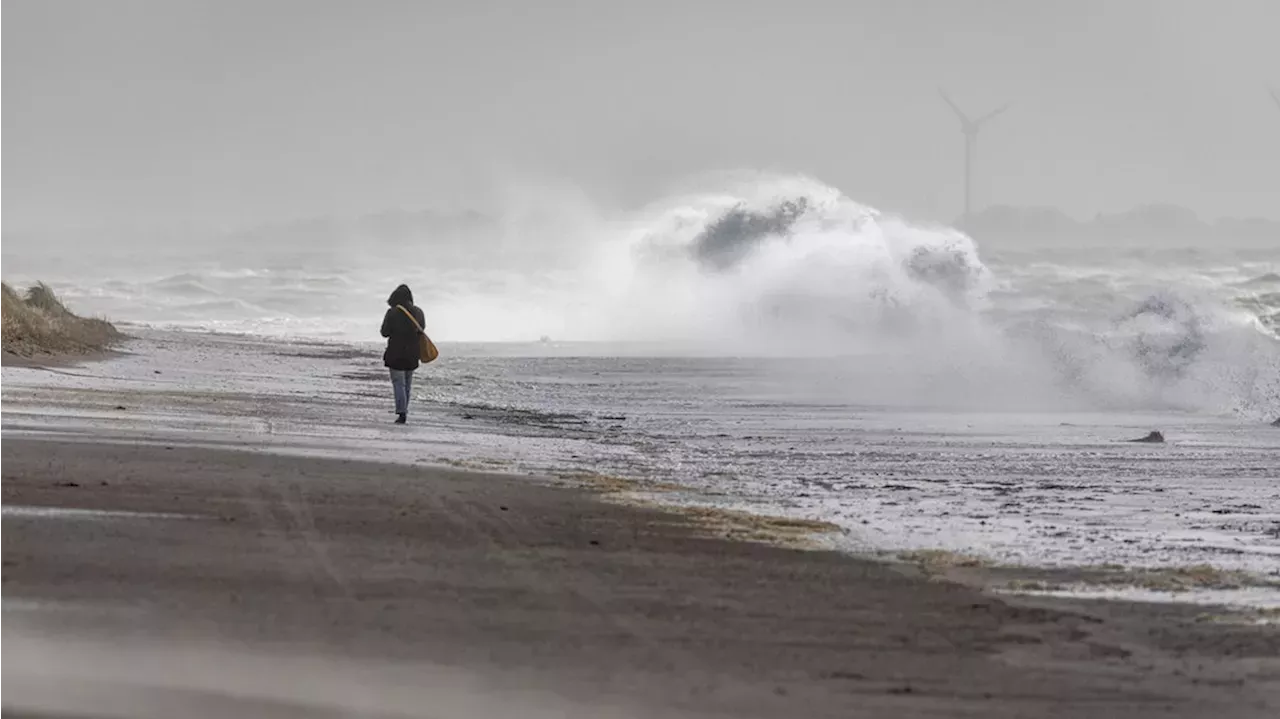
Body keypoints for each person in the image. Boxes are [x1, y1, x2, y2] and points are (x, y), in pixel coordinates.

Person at [380, 284, 427, 424]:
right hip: (412, 353)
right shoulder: (419, 312)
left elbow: (384, 332)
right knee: (407, 384)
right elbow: (422, 329)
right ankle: (403, 410)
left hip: (396, 353)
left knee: (398, 383)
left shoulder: (392, 312)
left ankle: (402, 412)